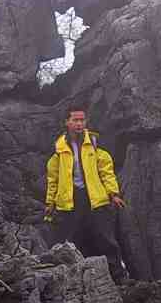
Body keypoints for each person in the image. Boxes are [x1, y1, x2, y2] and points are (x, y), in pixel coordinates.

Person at [44, 105, 128, 283]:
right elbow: (53, 178)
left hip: (96, 199)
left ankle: (119, 277)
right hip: (70, 200)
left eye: (82, 120)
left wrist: (113, 194)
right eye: (75, 120)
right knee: (74, 240)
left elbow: (106, 170)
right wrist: (50, 203)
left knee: (106, 238)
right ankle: (78, 281)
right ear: (67, 122)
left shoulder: (95, 143)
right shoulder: (58, 148)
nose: (79, 124)